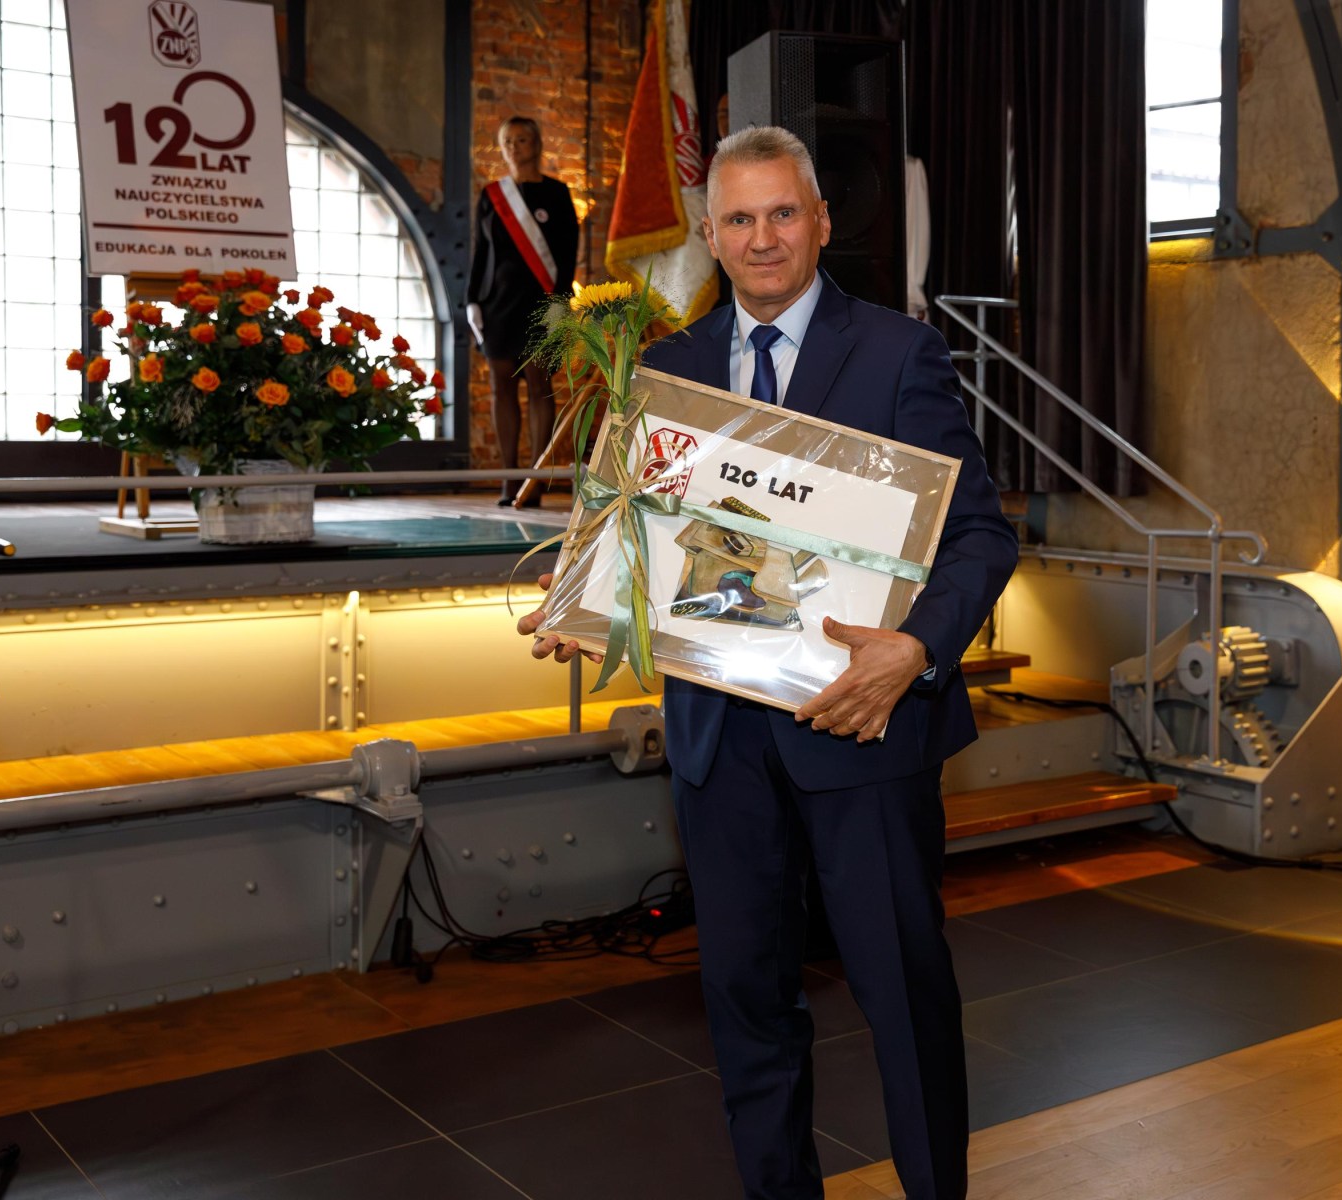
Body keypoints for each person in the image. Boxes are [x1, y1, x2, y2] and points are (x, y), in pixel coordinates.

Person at [520, 126, 1016, 1200]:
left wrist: (919, 648)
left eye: (783, 213)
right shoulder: (667, 371)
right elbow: (646, 539)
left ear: (822, 221)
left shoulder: (899, 353)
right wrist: (591, 602)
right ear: (710, 235)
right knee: (747, 1006)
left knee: (904, 996)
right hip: (720, 746)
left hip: (865, 731)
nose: (763, 238)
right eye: (740, 218)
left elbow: (980, 535)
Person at [466, 116, 579, 505]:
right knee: (501, 387)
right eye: (508, 141)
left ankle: (534, 480)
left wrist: (559, 306)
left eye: (522, 140)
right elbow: (480, 252)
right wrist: (472, 300)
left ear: (537, 144)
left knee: (539, 386)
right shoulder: (491, 195)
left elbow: (567, 254)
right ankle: (508, 480)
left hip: (541, 304)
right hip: (497, 304)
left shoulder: (557, 193)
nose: (515, 147)